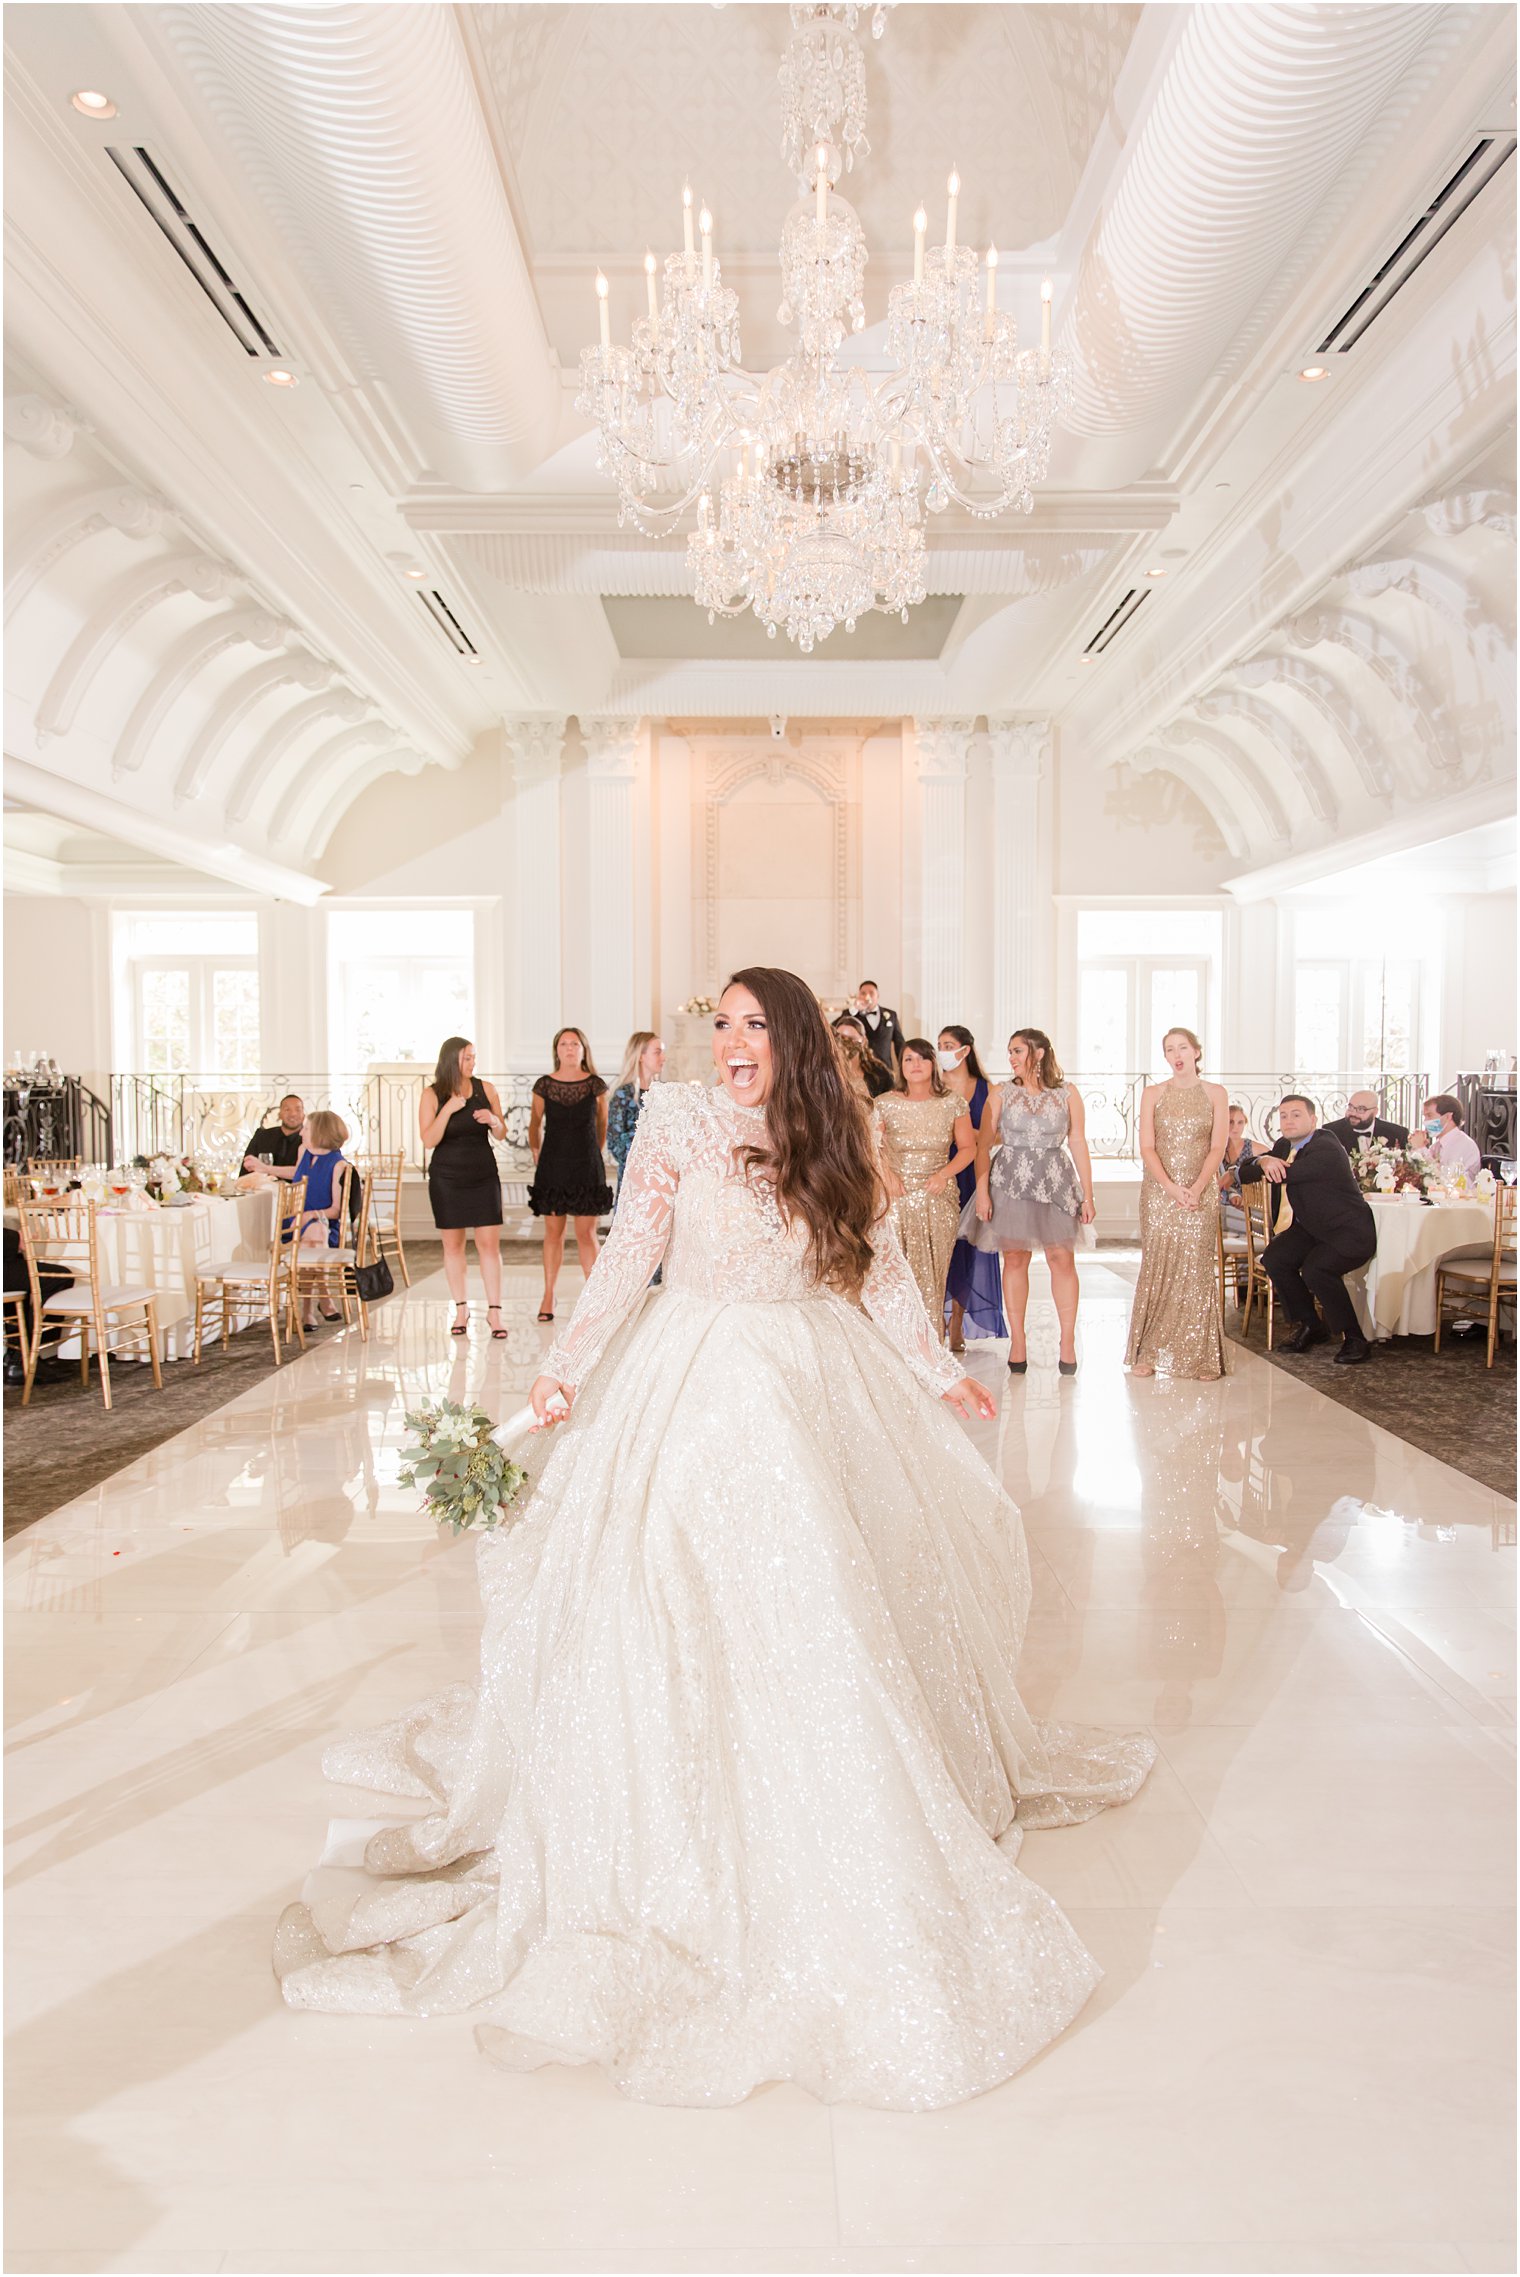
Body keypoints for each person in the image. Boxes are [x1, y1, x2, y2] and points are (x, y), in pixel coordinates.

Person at [275, 966, 1154, 2109]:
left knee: (820, 1595)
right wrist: (562, 1377)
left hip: (803, 1379)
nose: (730, 1042)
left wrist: (937, 1372)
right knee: (668, 1587)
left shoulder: (834, 1129)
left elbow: (877, 1273)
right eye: (720, 1025)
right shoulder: (680, 1120)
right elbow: (632, 1254)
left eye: (752, 1026)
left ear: (789, 1041)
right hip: (687, 1379)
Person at [960, 1029, 1095, 1377]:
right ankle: (1018, 1342)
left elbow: (1078, 1142)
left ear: (1038, 1053)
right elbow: (983, 1147)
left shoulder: (1068, 1094)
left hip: (1056, 1183)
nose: (1011, 1057)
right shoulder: (1001, 1093)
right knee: (1015, 1258)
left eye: (1017, 1050)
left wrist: (1088, 1193)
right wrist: (983, 1192)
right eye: (1009, 1052)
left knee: (1061, 1258)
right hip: (1010, 1182)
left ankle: (1067, 1342)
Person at [1239, 1094, 1376, 1364]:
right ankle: (1312, 1325)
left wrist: (1265, 1163)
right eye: (1284, 1115)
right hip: (1313, 1230)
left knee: (1317, 1268)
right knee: (1275, 1258)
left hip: (1348, 1231)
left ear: (1313, 1120)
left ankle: (1355, 1338)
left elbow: (1287, 1173)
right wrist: (1260, 1161)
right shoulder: (1282, 1145)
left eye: (1296, 1114)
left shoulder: (1326, 1145)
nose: (1289, 1120)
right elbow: (1246, 1172)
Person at [1125, 1028, 1230, 1380]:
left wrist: (1198, 1186)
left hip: (1201, 1189)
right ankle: (1148, 1352)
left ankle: (1203, 1356)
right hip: (1159, 1192)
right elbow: (1148, 1147)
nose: (1177, 1054)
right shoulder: (1153, 1093)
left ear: (1197, 1052)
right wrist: (1171, 1187)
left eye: (1182, 1047)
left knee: (1196, 1269)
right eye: (1169, 1049)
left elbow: (1217, 1147)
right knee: (1159, 1266)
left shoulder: (1215, 1093)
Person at [873, 1039, 975, 1340]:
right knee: (895, 1273)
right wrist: (887, 1173)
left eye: (922, 1058)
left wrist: (944, 1174)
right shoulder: (884, 1103)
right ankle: (898, 1343)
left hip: (937, 1196)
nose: (915, 1064)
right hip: (895, 1196)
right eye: (908, 1059)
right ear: (901, 1067)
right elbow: (873, 1148)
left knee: (932, 1274)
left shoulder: (952, 1103)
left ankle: (931, 1341)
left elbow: (968, 1148)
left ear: (933, 1064)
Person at [421, 1037, 508, 1342]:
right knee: (453, 1246)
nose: (473, 1062)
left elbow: (502, 1134)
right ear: (451, 1061)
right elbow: (429, 1139)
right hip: (447, 1177)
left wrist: (494, 1119)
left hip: (483, 1174)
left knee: (489, 1245)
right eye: (467, 1058)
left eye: (474, 1057)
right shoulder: (432, 1094)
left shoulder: (488, 1089)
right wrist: (449, 1109)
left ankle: (494, 1312)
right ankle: (461, 1309)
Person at [528, 1027, 611, 1323]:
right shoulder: (544, 1085)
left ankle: (595, 1298)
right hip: (553, 1165)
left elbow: (602, 1124)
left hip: (586, 1165)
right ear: (557, 1050)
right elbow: (535, 1122)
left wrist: (595, 1151)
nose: (569, 1048)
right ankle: (549, 1294)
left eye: (574, 1043)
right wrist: (536, 1149)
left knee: (586, 1233)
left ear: (583, 1049)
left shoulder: (596, 1085)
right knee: (554, 1233)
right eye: (564, 1044)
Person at [937, 1024, 1006, 1350]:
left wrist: (971, 1136)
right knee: (939, 1248)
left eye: (947, 1044)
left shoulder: (987, 1089)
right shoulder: (936, 1087)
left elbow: (1000, 1136)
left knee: (969, 1250)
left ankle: (958, 1321)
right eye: (939, 1045)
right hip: (942, 1170)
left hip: (974, 1174)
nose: (942, 1051)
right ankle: (936, 1315)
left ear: (964, 1050)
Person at [283, 1110, 351, 1328]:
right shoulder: (304, 1151)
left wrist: (310, 1216)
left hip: (325, 1224)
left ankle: (306, 1310)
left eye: (306, 1128)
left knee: (314, 1233)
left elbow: (336, 1210)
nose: (301, 1132)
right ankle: (324, 1297)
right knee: (311, 1235)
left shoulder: (339, 1165)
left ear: (319, 1132)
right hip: (296, 1222)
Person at [607, 1032, 665, 1199]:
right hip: (633, 1180)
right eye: (657, 1052)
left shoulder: (662, 1092)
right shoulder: (622, 1095)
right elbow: (615, 1143)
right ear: (641, 1056)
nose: (664, 1057)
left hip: (662, 1178)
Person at [1409, 1094, 1482, 1175]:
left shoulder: (1464, 1145)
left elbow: (1445, 1179)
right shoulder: (1436, 1145)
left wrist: (1421, 1147)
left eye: (1429, 1115)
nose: (1425, 1121)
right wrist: (1415, 1148)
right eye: (1424, 1116)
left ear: (1448, 1116)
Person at [1322, 1090, 1410, 1155]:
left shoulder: (1397, 1133)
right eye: (1350, 1107)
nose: (1353, 1113)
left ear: (1375, 1112)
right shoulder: (1330, 1132)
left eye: (1361, 1109)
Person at [1217, 1103, 1259, 1238]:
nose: (1235, 1127)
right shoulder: (1215, 1149)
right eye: (1230, 1122)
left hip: (1248, 1206)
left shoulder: (1254, 1148)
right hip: (1223, 1204)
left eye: (1240, 1122)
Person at [832, 1014, 895, 1099]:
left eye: (851, 1039)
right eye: (841, 1038)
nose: (845, 1043)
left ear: (864, 1041)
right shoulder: (827, 1072)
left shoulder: (880, 1074)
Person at [853, 979, 905, 1079]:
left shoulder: (891, 1015)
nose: (867, 996)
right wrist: (854, 1010)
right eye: (863, 993)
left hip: (886, 1071)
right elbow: (835, 1031)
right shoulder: (852, 1014)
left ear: (878, 996)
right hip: (860, 1072)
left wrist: (904, 1067)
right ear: (858, 996)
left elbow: (899, 1043)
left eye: (871, 993)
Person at [242, 1093, 304, 1174]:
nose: (293, 1114)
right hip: (260, 1185)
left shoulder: (310, 1140)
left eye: (298, 1110)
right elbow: (246, 1169)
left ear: (304, 1115)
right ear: (279, 1114)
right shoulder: (262, 1136)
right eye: (287, 1109)